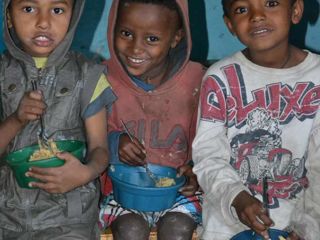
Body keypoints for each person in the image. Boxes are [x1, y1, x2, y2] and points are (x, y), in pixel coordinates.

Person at [192, 0, 320, 239]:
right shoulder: (220, 79)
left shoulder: (317, 78)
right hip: (227, 223)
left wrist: (308, 228)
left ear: (295, 10)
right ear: (229, 24)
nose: (257, 16)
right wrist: (236, 197)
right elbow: (207, 155)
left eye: (270, 3)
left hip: (298, 225)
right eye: (242, 9)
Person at [0, 0, 116, 239]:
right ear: (9, 16)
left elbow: (100, 149)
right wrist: (16, 120)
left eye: (57, 10)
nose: (43, 22)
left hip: (70, 218)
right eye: (29, 9)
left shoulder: (88, 76)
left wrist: (85, 173)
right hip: (7, 216)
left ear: (72, 16)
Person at [98, 0, 205, 239]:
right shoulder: (100, 80)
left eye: (152, 39)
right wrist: (114, 143)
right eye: (126, 33)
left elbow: (212, 141)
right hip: (120, 192)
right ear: (113, 27)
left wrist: (196, 172)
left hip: (180, 192)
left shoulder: (198, 82)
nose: (136, 48)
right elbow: (86, 138)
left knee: (178, 227)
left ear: (176, 38)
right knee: (130, 230)